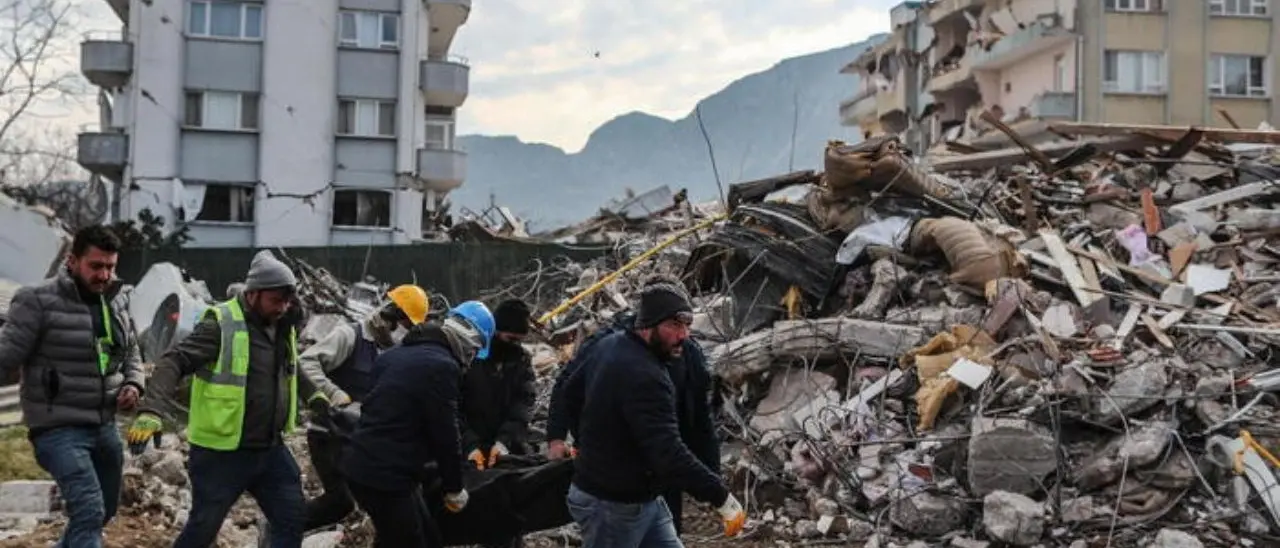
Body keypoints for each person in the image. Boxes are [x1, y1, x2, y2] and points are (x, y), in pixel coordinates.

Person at [126, 250, 313, 548]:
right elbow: (174, 361)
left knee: (291, 519)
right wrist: (152, 410)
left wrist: (319, 399)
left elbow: (293, 370)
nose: (283, 307)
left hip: (269, 449)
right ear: (253, 294)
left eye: (287, 301)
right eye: (276, 301)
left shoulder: (280, 325)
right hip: (222, 453)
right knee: (203, 528)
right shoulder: (221, 324)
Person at [558, 282, 745, 547]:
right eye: (674, 326)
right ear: (648, 325)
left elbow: (571, 393)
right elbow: (668, 451)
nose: (684, 335)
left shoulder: (610, 345)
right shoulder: (646, 376)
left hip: (644, 499)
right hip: (613, 505)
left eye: (686, 326)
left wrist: (588, 443)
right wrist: (720, 496)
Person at [0, 225, 144, 548]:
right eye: (96, 266)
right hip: (57, 428)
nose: (104, 275)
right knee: (89, 511)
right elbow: (5, 357)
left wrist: (134, 383)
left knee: (103, 511)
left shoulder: (116, 301)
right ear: (72, 260)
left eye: (110, 266)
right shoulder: (36, 301)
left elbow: (132, 351)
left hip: (104, 425)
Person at [341, 300, 495, 548]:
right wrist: (454, 487)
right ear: (471, 342)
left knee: (426, 536)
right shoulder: (443, 367)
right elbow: (445, 432)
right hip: (385, 476)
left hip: (365, 465)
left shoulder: (393, 356)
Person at [298, 284, 430, 531]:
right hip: (329, 435)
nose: (408, 333)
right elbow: (306, 363)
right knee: (343, 501)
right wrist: (333, 393)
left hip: (360, 440)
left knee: (369, 501)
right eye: (408, 326)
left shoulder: (394, 351)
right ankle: (281, 527)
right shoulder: (350, 336)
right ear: (394, 317)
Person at [461, 299, 536, 470]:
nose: (515, 345)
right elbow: (453, 408)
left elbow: (523, 404)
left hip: (504, 445)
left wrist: (504, 442)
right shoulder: (469, 358)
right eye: (510, 339)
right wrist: (470, 445)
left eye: (519, 340)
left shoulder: (521, 360)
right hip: (467, 445)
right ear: (495, 332)